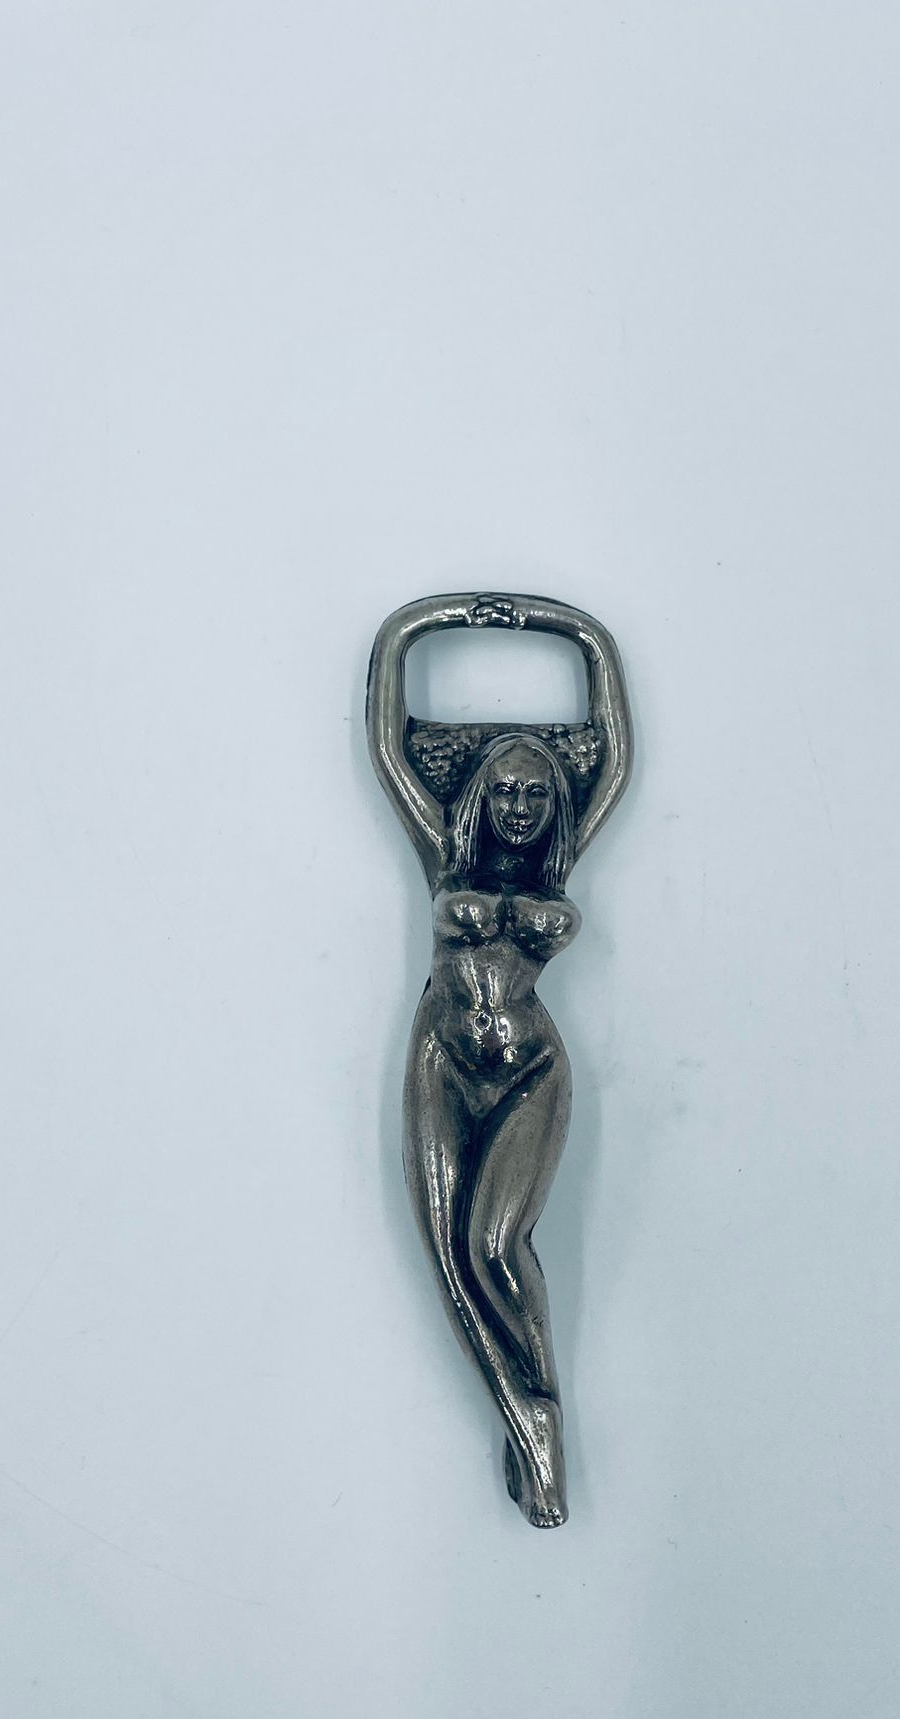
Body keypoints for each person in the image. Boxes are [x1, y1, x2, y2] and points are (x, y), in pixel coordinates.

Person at [367, 593, 634, 1526]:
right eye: (507, 791)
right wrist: (453, 617)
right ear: (482, 795)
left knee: (495, 1248)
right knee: (451, 1261)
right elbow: (389, 740)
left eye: (537, 793)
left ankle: (541, 1413)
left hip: (530, 1073)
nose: (521, 806)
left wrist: (579, 634)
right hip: (443, 1065)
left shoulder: (557, 865)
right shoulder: (444, 855)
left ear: (556, 802)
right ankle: (531, 1428)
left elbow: (614, 755)